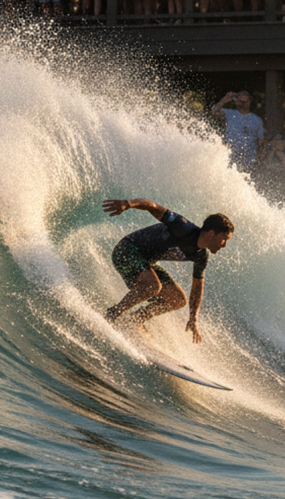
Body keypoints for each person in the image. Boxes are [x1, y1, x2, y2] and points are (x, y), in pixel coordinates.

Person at [100, 198, 233, 343]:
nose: (224, 245)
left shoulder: (201, 256)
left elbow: (197, 287)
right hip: (126, 250)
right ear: (211, 233)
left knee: (178, 299)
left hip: (145, 262)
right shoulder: (183, 227)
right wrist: (128, 204)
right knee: (153, 286)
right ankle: (113, 314)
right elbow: (154, 207)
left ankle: (135, 319)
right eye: (224, 239)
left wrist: (193, 318)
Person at [212, 90, 265, 169]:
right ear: (236, 101)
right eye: (241, 101)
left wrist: (260, 159)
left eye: (245, 102)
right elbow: (214, 110)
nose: (243, 104)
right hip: (230, 159)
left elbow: (262, 141)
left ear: (250, 101)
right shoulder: (229, 114)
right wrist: (224, 99)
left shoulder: (257, 120)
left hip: (249, 161)